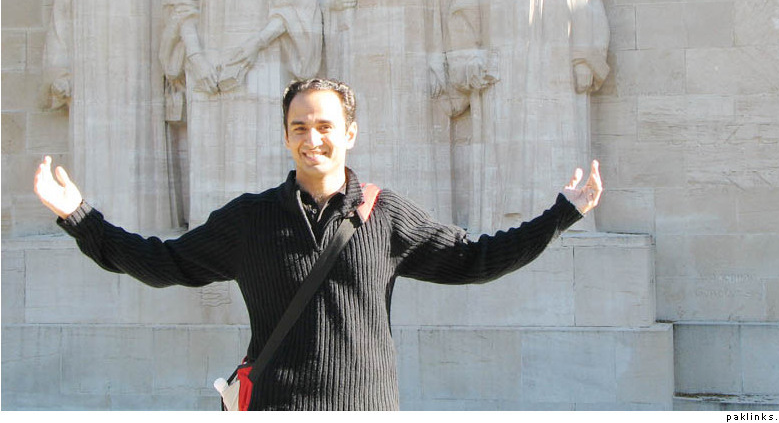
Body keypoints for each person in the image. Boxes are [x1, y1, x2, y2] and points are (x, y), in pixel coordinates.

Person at [34, 77, 603, 411]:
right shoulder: (250, 220)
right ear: (286, 136)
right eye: (300, 127)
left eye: (326, 125)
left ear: (349, 133)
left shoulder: (386, 215)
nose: (314, 138)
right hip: (274, 407)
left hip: (365, 408)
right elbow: (163, 263)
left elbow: (475, 259)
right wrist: (79, 217)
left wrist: (562, 214)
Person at [448, 0, 610, 233]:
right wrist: (469, 59)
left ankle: (565, 219)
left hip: (552, 61)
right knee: (502, 145)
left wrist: (584, 58)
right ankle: (501, 225)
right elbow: (464, 10)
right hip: (501, 63)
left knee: (552, 137)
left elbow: (585, 1)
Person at [160, 0, 321, 227]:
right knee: (209, 150)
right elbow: (181, 7)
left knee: (258, 148)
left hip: (262, 64)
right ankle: (207, 232)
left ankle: (267, 230)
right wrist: (196, 57)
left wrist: (251, 48)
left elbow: (291, 8)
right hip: (206, 66)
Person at [317, 0, 461, 222]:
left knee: (415, 136)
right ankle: (359, 215)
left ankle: (420, 218)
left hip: (413, 58)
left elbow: (451, 4)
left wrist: (440, 57)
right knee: (362, 133)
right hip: (359, 63)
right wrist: (333, 0)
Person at [42, 0, 178, 232]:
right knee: (96, 153)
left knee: (138, 151)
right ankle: (91, 228)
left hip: (141, 78)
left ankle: (144, 225)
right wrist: (60, 71)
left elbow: (174, 20)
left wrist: (175, 75)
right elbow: (61, 22)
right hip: (92, 79)